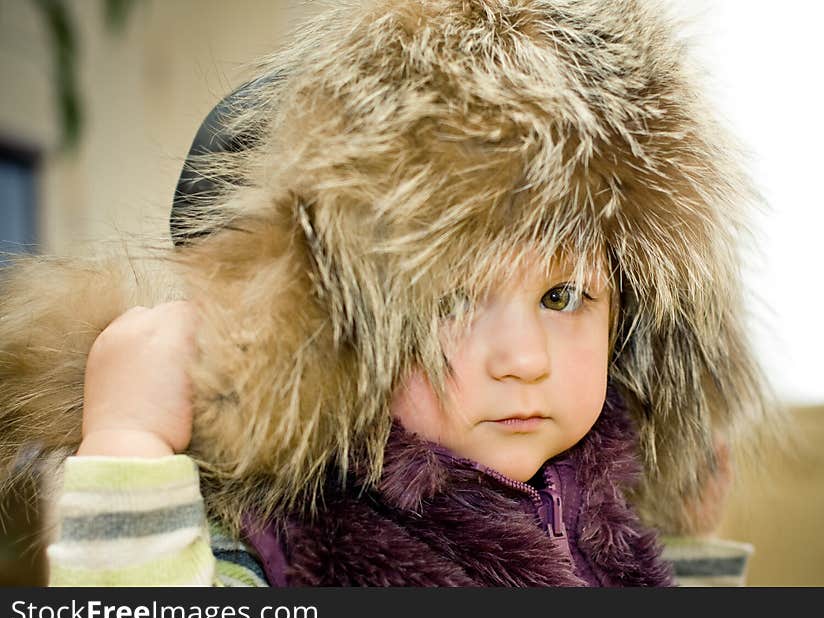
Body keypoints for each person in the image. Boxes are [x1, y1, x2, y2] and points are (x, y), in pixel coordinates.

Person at [1, 0, 774, 586]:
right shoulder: (296, 534)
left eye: (563, 297)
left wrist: (684, 539)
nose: (523, 360)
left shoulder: (604, 493)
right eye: (450, 301)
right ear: (333, 326)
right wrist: (127, 446)